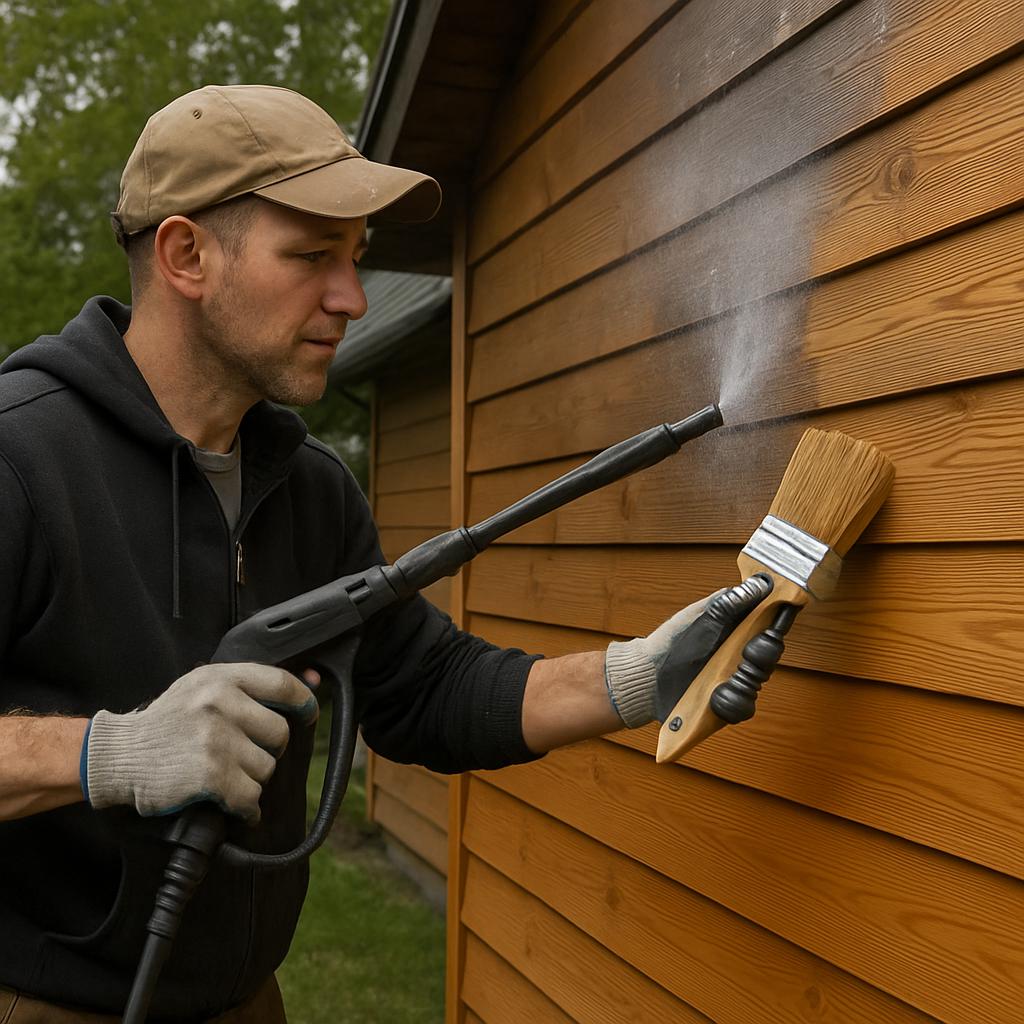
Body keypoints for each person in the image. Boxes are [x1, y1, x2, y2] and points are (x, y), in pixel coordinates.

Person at [0, 85, 773, 1022]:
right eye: (313, 257)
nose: (353, 298)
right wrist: (109, 752)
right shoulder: (22, 459)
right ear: (186, 255)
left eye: (356, 259)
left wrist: (641, 677)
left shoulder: (309, 486)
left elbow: (425, 689)